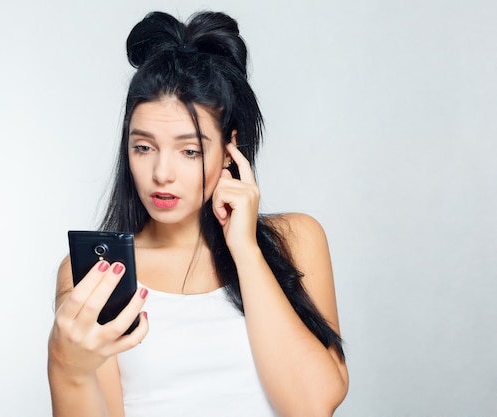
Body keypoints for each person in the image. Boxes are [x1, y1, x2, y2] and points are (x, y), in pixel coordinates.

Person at [48, 10, 348, 417]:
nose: (161, 174)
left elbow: (313, 406)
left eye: (189, 151)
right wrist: (66, 364)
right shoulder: (105, 271)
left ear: (230, 149)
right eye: (143, 147)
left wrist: (245, 249)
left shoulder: (295, 239)